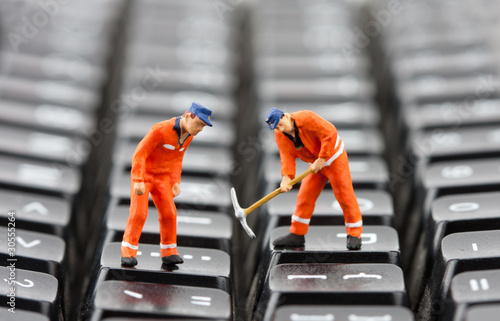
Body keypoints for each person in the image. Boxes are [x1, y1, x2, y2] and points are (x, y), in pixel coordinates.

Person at [121, 102, 213, 267]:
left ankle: (169, 251)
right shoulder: (160, 129)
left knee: (169, 214)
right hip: (146, 176)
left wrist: (175, 181)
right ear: (188, 116)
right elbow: (139, 154)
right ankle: (128, 252)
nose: (200, 129)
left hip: (163, 178)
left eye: (203, 127)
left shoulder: (189, 136)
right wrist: (138, 180)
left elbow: (178, 159)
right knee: (138, 214)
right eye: (199, 124)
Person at [265, 107, 362, 250]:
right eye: (276, 127)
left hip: (335, 159)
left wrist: (322, 158)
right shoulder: (280, 134)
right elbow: (286, 156)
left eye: (280, 124)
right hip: (315, 165)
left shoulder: (307, 118)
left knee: (344, 195)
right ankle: (297, 234)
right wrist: (286, 177)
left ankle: (355, 233)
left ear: (285, 116)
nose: (280, 129)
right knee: (305, 196)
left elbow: (330, 132)